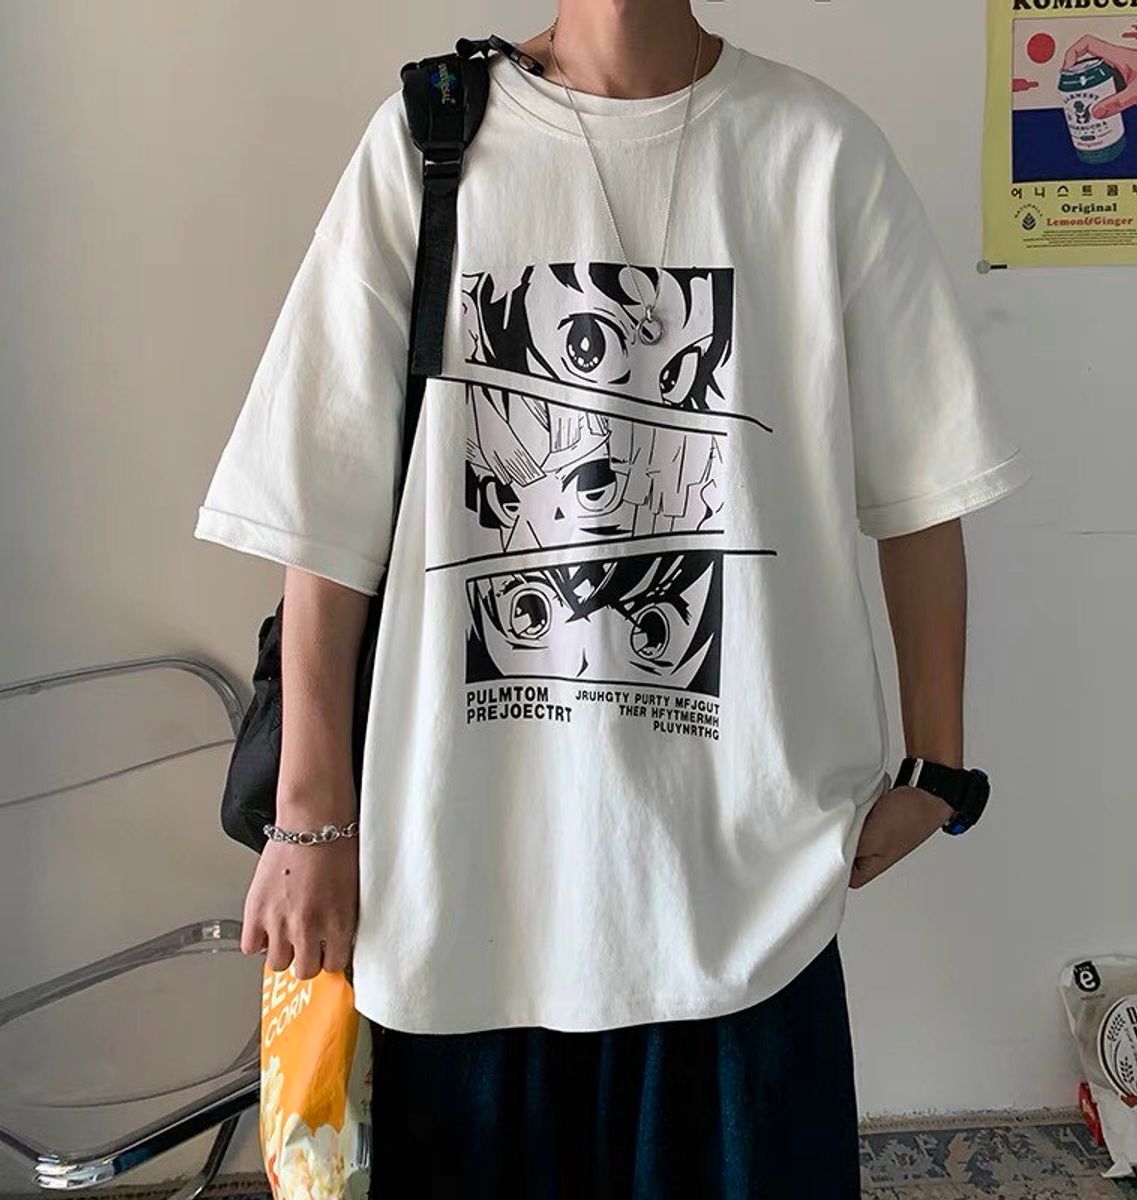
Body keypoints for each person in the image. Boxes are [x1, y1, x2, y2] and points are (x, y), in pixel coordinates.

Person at [194, 2, 1031, 1195]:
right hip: (467, 896)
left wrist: (939, 766)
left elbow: (925, 484)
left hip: (742, 906)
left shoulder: (817, 152)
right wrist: (308, 822)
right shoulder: (432, 140)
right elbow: (321, 510)